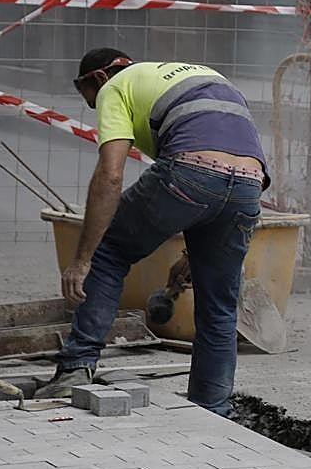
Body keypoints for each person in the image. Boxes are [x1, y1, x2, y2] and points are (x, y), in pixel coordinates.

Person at [34, 49, 269, 418]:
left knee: (108, 249)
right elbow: (225, 173)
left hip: (191, 168)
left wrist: (81, 260)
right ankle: (212, 410)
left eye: (91, 102)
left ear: (97, 79)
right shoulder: (197, 73)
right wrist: (196, 254)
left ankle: (76, 367)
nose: (98, 110)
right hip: (250, 183)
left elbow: (111, 175)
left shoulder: (115, 88)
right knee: (219, 306)